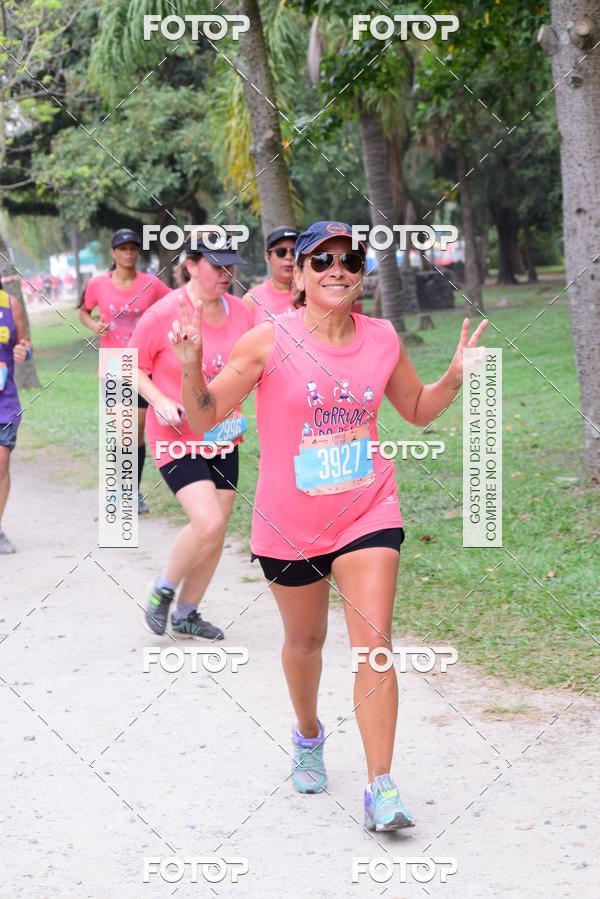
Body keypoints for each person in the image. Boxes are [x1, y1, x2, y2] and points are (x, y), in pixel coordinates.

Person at [170, 220, 489, 830]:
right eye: (322, 261)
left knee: (374, 645)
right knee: (306, 643)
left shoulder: (383, 338)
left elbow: (415, 409)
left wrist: (453, 378)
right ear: (300, 274)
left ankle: (381, 786)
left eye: (350, 260)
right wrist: (189, 367)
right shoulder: (267, 341)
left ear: (362, 273)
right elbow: (204, 417)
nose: (337, 270)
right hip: (289, 522)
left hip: (367, 509)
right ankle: (309, 733)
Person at [130, 236, 253, 639]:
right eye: (217, 266)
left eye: (230, 266)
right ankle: (162, 588)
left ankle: (186, 612)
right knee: (208, 520)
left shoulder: (242, 312)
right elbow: (128, 367)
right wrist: (160, 399)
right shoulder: (163, 313)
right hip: (175, 435)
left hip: (223, 433)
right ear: (191, 266)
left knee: (216, 529)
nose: (226, 274)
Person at [79, 228, 170, 513]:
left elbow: (174, 305)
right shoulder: (97, 284)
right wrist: (94, 325)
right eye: (123, 248)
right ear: (113, 252)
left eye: (133, 248)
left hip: (143, 366)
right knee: (122, 432)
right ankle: (117, 489)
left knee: (135, 431)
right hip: (113, 365)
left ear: (137, 252)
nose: (129, 253)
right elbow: (83, 311)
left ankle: (132, 491)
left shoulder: (151, 284)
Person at [0, 282, 33, 553]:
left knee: (1, 463)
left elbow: (26, 343)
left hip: (4, 402)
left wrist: (24, 351)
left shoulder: (11, 305)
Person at [243, 227, 299, 325]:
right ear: (267, 257)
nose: (288, 257)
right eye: (281, 252)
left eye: (294, 252)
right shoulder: (251, 300)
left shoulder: (312, 295)